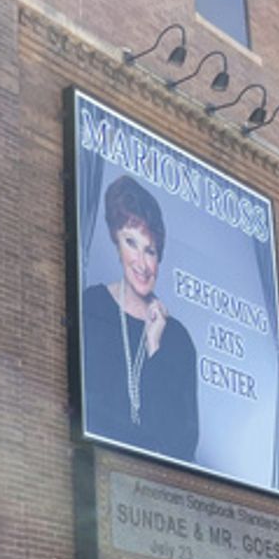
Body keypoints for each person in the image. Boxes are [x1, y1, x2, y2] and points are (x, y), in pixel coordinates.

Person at [82, 175, 199, 461]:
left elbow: (181, 445)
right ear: (116, 244)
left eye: (150, 250)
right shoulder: (90, 306)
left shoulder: (177, 339)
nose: (142, 263)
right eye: (131, 242)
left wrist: (154, 344)